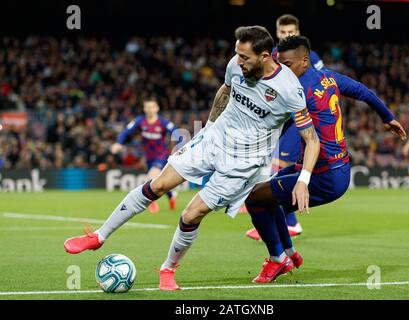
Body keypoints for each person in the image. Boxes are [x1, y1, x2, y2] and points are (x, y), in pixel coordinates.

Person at [63, 26, 321, 291]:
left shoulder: (289, 89)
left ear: (265, 56)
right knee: (158, 184)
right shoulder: (236, 65)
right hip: (213, 140)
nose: (238, 62)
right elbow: (225, 91)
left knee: (191, 214)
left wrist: (303, 180)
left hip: (243, 162)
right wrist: (208, 127)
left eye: (245, 58)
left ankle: (168, 268)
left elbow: (311, 139)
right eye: (237, 55)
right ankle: (99, 235)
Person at [245, 35, 407, 283]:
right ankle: (289, 254)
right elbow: (363, 91)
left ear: (304, 61)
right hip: (335, 167)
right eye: (280, 64)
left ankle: (278, 260)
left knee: (255, 199)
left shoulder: (300, 91)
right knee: (269, 194)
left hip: (324, 176)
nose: (282, 70)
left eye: (287, 65)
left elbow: (280, 122)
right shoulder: (328, 77)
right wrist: (386, 117)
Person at [245, 14, 324, 241]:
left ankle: (290, 223)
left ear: (298, 32)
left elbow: (322, 83)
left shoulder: (310, 57)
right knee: (274, 171)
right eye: (283, 32)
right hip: (280, 119)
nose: (287, 35)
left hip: (299, 118)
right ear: (277, 32)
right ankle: (280, 219)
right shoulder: (272, 57)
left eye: (291, 32)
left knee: (277, 166)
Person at [111, 97, 177, 213]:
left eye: (152, 107)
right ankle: (171, 195)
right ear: (144, 109)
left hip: (161, 156)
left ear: (157, 108)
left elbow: (176, 131)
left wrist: (179, 146)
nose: (149, 109)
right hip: (148, 157)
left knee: (151, 177)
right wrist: (118, 143)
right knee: (160, 181)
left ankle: (151, 201)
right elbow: (126, 131)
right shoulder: (140, 121)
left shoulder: (163, 122)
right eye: (147, 107)